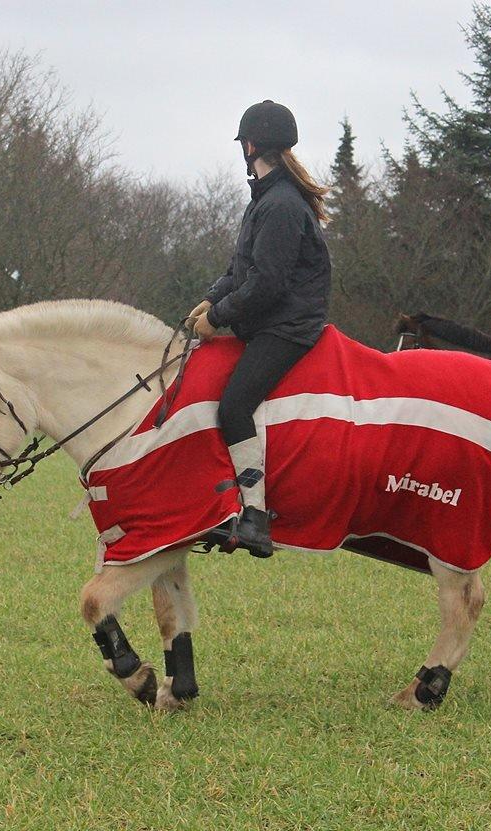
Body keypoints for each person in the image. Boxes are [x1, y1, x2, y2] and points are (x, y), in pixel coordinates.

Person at [188, 100, 331, 557]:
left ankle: (254, 517)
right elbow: (240, 269)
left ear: (249, 146)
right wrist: (210, 299)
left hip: (287, 327)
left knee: (234, 406)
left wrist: (218, 317)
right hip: (269, 320)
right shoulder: (266, 199)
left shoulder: (281, 204)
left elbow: (266, 283)